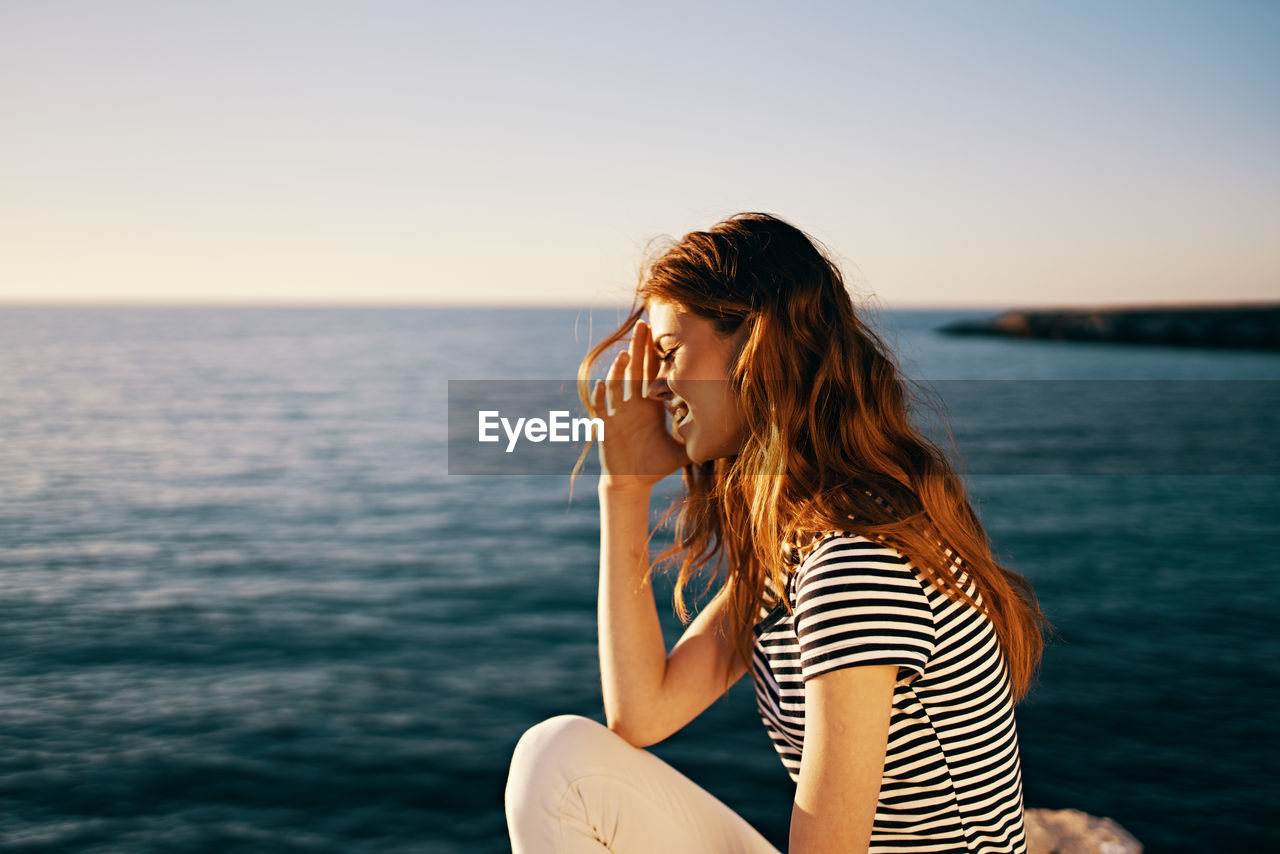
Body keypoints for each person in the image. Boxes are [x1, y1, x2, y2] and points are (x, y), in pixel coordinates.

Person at [505, 212, 1053, 853]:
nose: (655, 385)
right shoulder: (803, 539)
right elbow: (643, 712)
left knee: (558, 764)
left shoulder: (853, 562)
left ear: (754, 347)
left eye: (669, 352)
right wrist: (623, 489)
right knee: (561, 759)